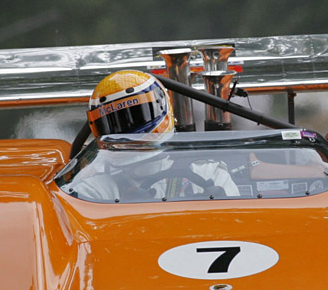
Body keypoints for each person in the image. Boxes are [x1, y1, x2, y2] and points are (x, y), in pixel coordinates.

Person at [72, 70, 238, 202]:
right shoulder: (92, 190)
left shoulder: (210, 174)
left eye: (137, 116)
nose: (129, 129)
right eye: (114, 123)